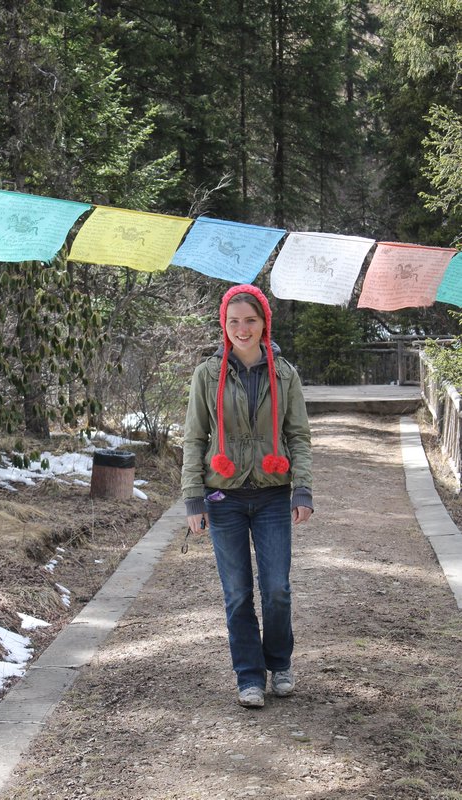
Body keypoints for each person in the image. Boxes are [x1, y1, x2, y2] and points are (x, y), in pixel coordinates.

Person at [181, 283, 313, 708]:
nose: (242, 328)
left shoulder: (284, 372)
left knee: (277, 589)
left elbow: (299, 435)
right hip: (224, 498)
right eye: (233, 320)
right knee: (237, 592)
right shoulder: (207, 374)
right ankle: (249, 676)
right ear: (224, 324)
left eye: (250, 320)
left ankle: (279, 663)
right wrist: (193, 498)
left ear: (263, 324)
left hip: (274, 494)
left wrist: (303, 488)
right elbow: (193, 439)